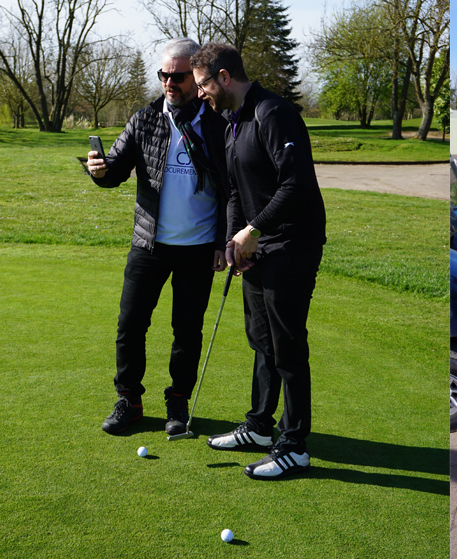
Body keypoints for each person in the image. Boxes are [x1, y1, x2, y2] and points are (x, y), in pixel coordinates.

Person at [190, 43, 327, 480]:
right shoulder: (231, 124)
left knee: (287, 345)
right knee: (261, 339)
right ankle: (260, 427)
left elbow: (296, 186)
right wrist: (235, 238)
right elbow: (234, 191)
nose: (200, 95)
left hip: (292, 245)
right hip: (258, 246)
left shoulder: (273, 114)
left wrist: (254, 231)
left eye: (204, 85)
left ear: (225, 77)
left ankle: (295, 445)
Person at [86, 38, 228, 437]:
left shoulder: (217, 125)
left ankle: (178, 404)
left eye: (178, 76)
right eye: (164, 74)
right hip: (149, 244)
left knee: (187, 331)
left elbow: (231, 189)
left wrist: (223, 240)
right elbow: (115, 169)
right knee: (130, 325)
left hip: (198, 250)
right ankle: (129, 401)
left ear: (197, 78)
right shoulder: (144, 119)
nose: (169, 82)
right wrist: (99, 171)